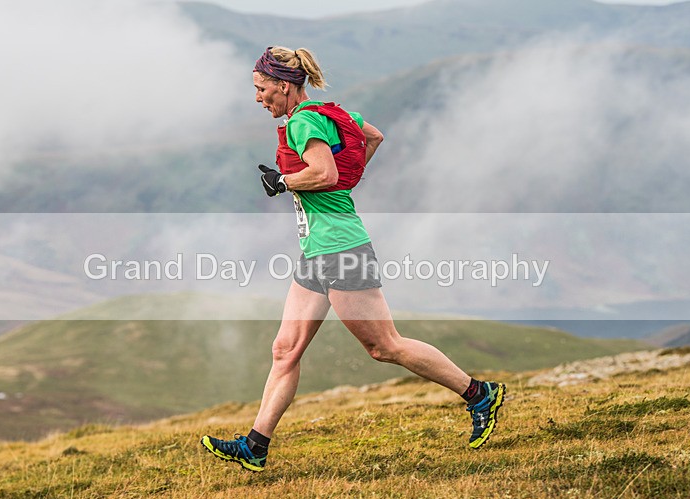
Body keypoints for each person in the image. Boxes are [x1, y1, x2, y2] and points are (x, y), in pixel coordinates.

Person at [201, 46, 505, 472]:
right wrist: (348, 181)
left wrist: (285, 182)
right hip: (316, 251)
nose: (258, 98)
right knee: (285, 350)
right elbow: (373, 136)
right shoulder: (327, 112)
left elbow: (323, 174)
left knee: (385, 346)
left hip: (341, 249)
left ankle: (479, 394)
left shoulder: (304, 121)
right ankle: (256, 445)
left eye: (261, 89)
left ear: (284, 86)